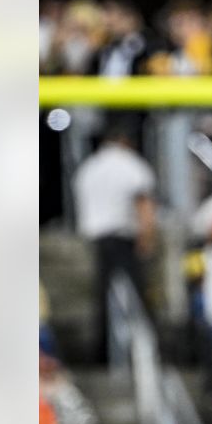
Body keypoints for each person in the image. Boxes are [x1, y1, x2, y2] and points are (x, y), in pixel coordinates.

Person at [72, 120, 158, 362]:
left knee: (102, 297)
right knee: (137, 296)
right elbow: (144, 206)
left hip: (98, 241)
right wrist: (147, 239)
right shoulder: (130, 165)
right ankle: (149, 351)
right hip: (123, 239)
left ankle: (100, 354)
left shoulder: (89, 167)